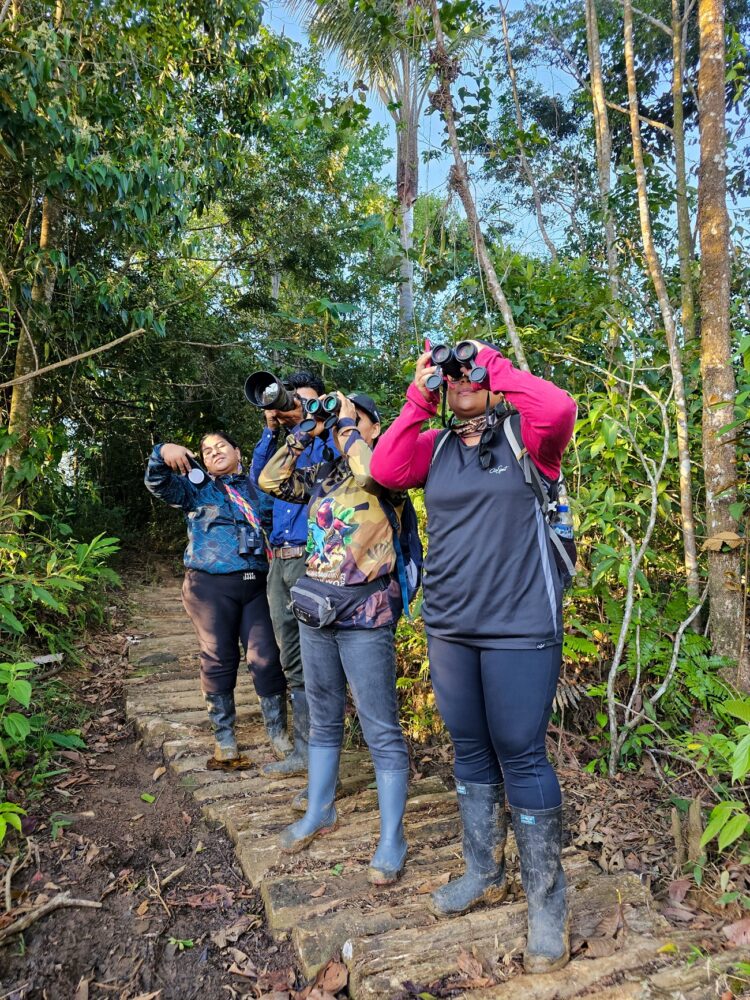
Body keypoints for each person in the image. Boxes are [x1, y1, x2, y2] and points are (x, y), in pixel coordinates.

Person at [369, 342, 577, 973]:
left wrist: (490, 363)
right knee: (469, 746)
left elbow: (560, 405)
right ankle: (483, 871)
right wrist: (419, 392)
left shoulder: (528, 440)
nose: (459, 381)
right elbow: (384, 468)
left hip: (520, 622)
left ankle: (547, 905)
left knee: (521, 749)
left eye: (467, 374)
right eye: (450, 375)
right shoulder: (434, 448)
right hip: (451, 624)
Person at [258, 392, 410, 886]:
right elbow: (270, 480)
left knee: (379, 727)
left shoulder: (388, 467)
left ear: (373, 426)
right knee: (324, 718)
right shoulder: (325, 476)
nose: (344, 425)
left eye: (355, 419)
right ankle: (320, 809)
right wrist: (305, 429)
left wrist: (346, 425)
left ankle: (392, 837)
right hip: (316, 609)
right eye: (344, 420)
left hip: (366, 613)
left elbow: (373, 471)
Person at [144, 432, 290, 765]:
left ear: (238, 451)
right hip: (209, 587)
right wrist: (161, 451)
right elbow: (157, 483)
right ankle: (224, 739)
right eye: (206, 451)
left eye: (220, 446)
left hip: (257, 585)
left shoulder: (259, 489)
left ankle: (278, 734)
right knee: (219, 658)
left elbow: (280, 521)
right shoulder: (195, 489)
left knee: (266, 658)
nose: (214, 452)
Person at [251, 371, 327, 778]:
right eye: (289, 398)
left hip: (311, 558)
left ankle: (322, 748)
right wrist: (270, 432)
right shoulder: (285, 446)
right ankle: (303, 750)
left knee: (317, 652)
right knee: (290, 654)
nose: (293, 405)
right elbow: (259, 484)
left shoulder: (325, 441)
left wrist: (310, 426)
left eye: (302, 399)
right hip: (278, 560)